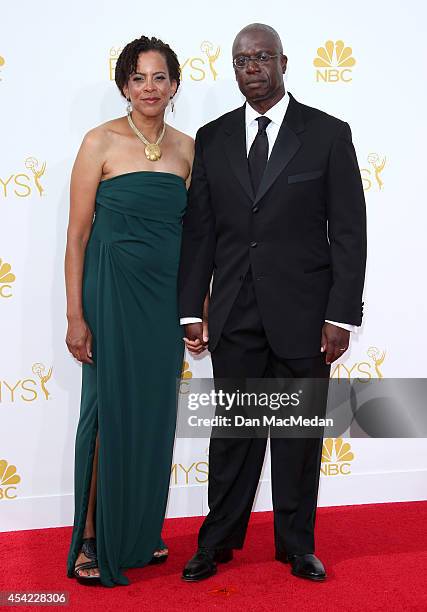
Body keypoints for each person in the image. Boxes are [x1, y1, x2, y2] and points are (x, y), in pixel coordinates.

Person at [179, 23, 366, 582]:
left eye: (262, 57)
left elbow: (349, 232)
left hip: (307, 318)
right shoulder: (211, 139)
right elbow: (201, 234)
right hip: (235, 314)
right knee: (233, 435)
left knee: (298, 437)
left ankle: (296, 544)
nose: (252, 67)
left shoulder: (328, 134)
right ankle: (217, 542)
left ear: (284, 61)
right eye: (241, 60)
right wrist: (193, 307)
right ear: (233, 69)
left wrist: (339, 315)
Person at [64, 35, 193, 587]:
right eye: (138, 78)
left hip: (164, 300)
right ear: (123, 85)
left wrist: (197, 306)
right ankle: (93, 535)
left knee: (153, 412)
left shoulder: (189, 148)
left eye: (159, 77)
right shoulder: (99, 142)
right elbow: (76, 236)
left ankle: (138, 531)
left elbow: (195, 236)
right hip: (110, 292)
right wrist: (75, 315)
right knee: (108, 412)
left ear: (173, 85)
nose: (149, 88)